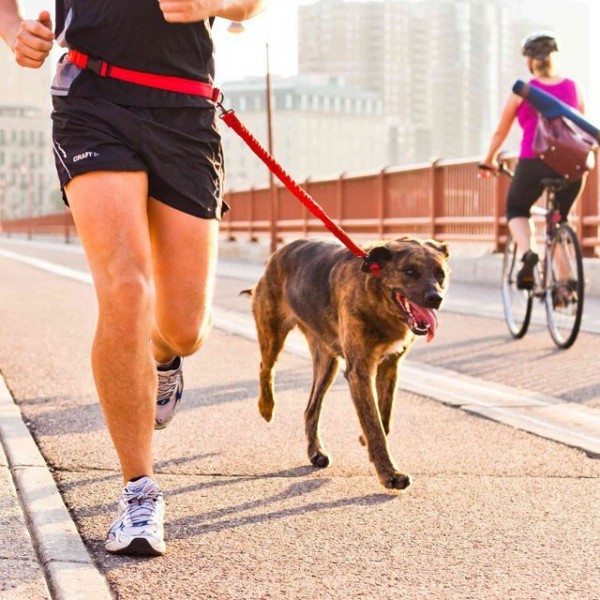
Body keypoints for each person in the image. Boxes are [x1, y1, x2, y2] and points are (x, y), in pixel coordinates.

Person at [0, 0, 266, 557]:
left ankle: (165, 358)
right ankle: (138, 491)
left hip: (186, 110)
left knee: (185, 327)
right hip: (91, 96)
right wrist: (12, 28)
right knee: (125, 289)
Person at [479, 31, 586, 290]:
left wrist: (488, 160)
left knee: (517, 209)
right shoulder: (573, 87)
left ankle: (529, 253)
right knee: (559, 220)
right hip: (573, 165)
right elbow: (581, 126)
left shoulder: (523, 91)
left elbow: (501, 131)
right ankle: (565, 284)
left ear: (530, 62)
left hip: (533, 161)